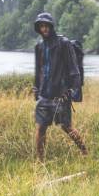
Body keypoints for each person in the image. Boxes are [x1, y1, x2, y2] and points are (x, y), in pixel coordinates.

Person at [32, 12, 88, 161]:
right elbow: (38, 70)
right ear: (38, 28)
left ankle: (84, 151)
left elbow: (73, 68)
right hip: (44, 96)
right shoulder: (39, 46)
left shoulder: (63, 43)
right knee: (40, 128)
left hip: (61, 96)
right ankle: (40, 161)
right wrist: (36, 89)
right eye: (41, 26)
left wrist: (72, 90)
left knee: (67, 127)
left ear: (51, 26)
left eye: (46, 25)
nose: (44, 29)